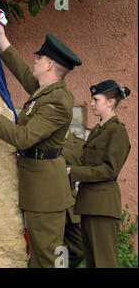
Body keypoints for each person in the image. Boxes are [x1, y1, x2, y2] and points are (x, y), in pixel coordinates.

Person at [0, 25, 82, 267]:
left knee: (47, 257)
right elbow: (25, 74)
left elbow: (24, 138)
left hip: (44, 193)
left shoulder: (55, 102)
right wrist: (2, 41)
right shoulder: (49, 91)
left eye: (40, 57)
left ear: (48, 66)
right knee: (47, 254)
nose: (35, 60)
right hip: (45, 186)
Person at [67, 80, 131, 268]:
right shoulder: (100, 129)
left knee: (104, 262)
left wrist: (74, 172)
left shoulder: (116, 130)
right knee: (94, 263)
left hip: (102, 205)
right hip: (89, 204)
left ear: (110, 102)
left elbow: (109, 169)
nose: (92, 103)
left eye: (96, 99)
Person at [61, 130, 85, 268]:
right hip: (48, 201)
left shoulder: (79, 144)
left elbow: (81, 164)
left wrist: (58, 149)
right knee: (52, 247)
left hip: (71, 201)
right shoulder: (39, 137)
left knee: (80, 246)